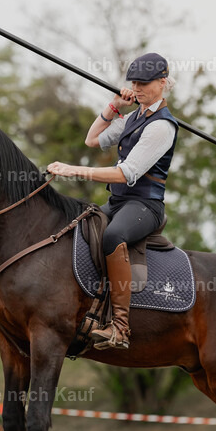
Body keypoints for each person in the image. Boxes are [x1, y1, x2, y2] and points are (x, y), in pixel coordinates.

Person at [47, 52, 178, 350]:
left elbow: (126, 173)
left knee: (113, 235)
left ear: (162, 82)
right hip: (119, 203)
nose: (138, 87)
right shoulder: (133, 117)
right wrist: (114, 107)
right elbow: (92, 140)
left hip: (146, 206)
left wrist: (73, 170)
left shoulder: (161, 126)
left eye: (145, 83)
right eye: (135, 82)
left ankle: (120, 327)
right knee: (80, 228)